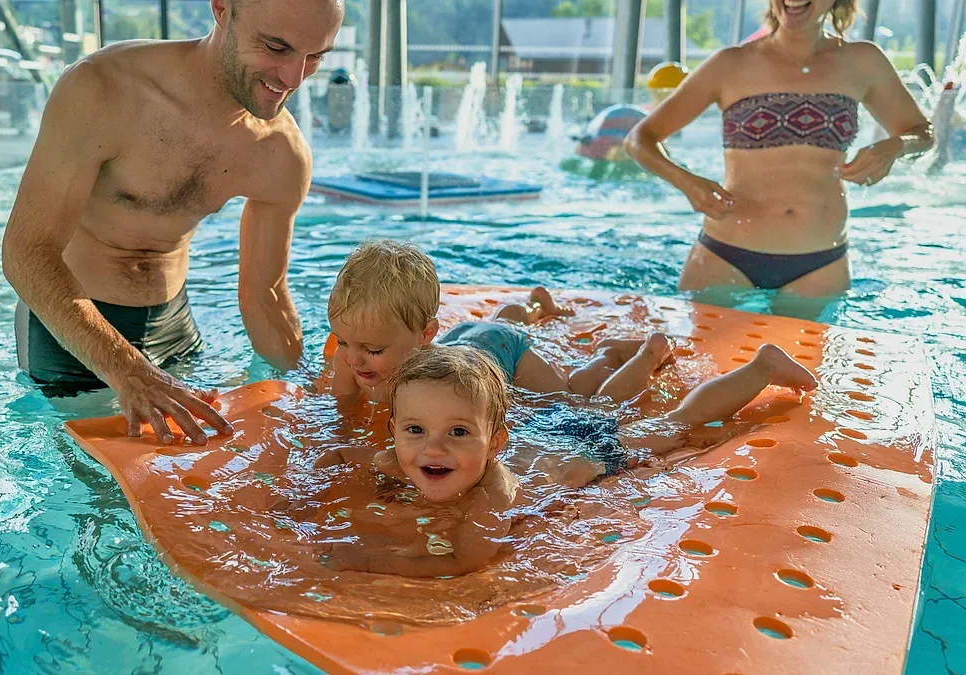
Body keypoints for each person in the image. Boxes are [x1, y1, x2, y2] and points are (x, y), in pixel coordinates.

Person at [1, 0, 344, 444]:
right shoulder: (104, 90)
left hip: (175, 327)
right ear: (223, 9)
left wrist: (315, 395)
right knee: (101, 500)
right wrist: (129, 371)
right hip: (72, 332)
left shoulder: (280, 153)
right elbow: (25, 251)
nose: (294, 78)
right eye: (276, 47)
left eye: (315, 56)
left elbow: (266, 295)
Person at [318, 339, 816, 577]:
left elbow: (467, 559)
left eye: (458, 432)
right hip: (542, 432)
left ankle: (760, 368)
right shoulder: (401, 455)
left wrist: (369, 559)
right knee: (597, 404)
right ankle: (644, 358)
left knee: (672, 427)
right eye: (414, 430)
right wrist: (341, 459)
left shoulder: (495, 494)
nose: (432, 448)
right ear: (396, 430)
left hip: (584, 452)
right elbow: (371, 457)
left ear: (493, 444)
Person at [624, 0, 932, 300]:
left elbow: (922, 132)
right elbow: (640, 139)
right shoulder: (730, 64)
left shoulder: (862, 61)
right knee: (691, 353)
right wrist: (687, 183)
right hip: (725, 255)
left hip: (820, 263)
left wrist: (894, 147)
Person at [327, 239, 677, 405]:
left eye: (372, 349)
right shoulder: (352, 357)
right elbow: (339, 412)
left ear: (424, 335)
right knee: (502, 321)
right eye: (343, 341)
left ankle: (619, 354)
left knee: (573, 398)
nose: (352, 358)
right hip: (466, 335)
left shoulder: (441, 382)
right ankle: (534, 304)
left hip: (501, 352)